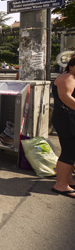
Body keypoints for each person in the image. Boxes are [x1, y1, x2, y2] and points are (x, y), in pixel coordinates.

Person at [51, 57, 75, 198]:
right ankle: (60, 185)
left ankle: (68, 179)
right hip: (66, 120)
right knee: (69, 150)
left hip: (68, 119)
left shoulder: (71, 77)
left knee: (71, 150)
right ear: (71, 66)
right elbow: (65, 97)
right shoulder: (68, 77)